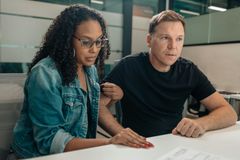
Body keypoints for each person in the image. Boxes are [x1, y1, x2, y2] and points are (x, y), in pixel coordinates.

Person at [10, 5, 152, 159]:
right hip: (36, 156)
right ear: (66, 39)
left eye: (99, 41)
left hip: (75, 154)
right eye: (86, 42)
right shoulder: (46, 73)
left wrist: (110, 100)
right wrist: (109, 142)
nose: (94, 49)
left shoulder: (88, 69)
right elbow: (49, 140)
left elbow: (85, 115)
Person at [100, 10, 237, 138]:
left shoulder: (188, 70)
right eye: (165, 38)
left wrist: (202, 123)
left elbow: (229, 113)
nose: (173, 46)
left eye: (179, 39)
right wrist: (121, 134)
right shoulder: (128, 66)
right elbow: (98, 107)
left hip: (174, 141)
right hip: (136, 145)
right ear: (149, 40)